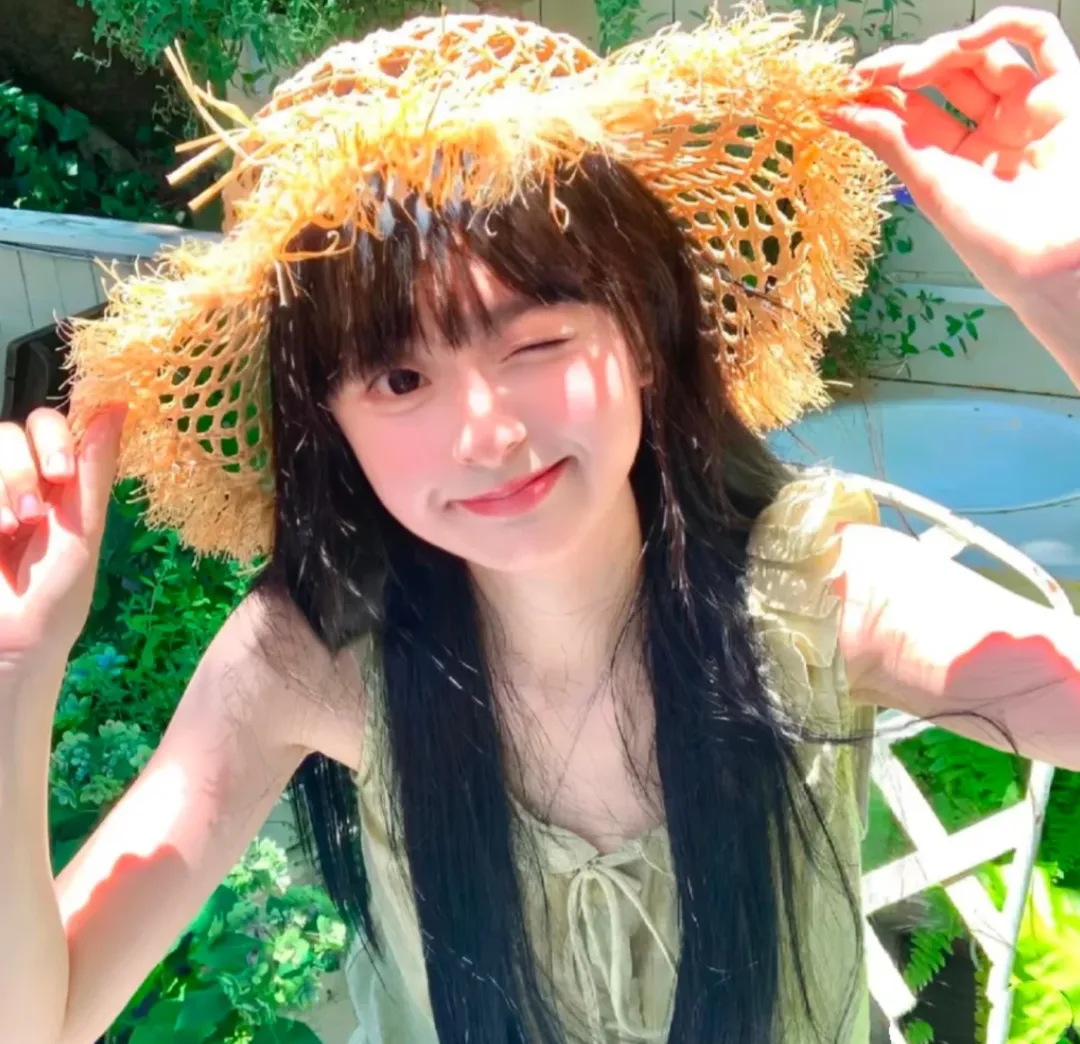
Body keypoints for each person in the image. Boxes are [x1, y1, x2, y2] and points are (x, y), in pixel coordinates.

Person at [0, 5, 1077, 1044]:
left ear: (645, 333)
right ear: (330, 424)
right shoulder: (311, 657)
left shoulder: (813, 593)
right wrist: (15, 671)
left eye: (536, 343)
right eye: (400, 378)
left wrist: (1065, 289)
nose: (487, 434)